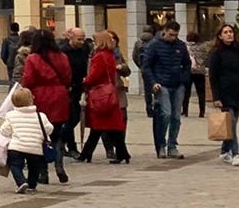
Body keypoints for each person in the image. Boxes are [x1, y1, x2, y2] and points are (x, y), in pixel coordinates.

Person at [18, 31, 73, 183]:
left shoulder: (33, 59)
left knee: (40, 136)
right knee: (57, 134)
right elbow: (68, 78)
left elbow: (28, 80)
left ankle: (43, 172)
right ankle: (59, 166)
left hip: (41, 97)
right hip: (60, 96)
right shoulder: (62, 57)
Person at [137, 23, 193, 160]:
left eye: (175, 35)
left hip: (178, 84)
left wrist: (184, 78)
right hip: (162, 85)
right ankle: (161, 144)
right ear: (165, 32)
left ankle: (172, 145)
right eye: (170, 34)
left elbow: (187, 63)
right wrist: (153, 82)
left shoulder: (180, 45)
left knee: (176, 116)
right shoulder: (154, 45)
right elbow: (146, 66)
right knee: (165, 114)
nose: (173, 38)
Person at [207, 23, 239, 167]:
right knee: (232, 123)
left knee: (231, 123)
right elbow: (213, 76)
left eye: (231, 32)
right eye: (226, 32)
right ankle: (235, 153)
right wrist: (216, 97)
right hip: (225, 92)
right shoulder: (216, 53)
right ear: (220, 36)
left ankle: (224, 150)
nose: (229, 34)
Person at [81, 28, 131, 164]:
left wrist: (85, 82)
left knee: (99, 127)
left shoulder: (99, 56)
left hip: (100, 94)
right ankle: (122, 153)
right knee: (108, 128)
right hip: (109, 93)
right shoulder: (110, 55)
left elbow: (95, 75)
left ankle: (86, 154)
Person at [0, 84, 52, 193]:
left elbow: (4, 130)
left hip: (16, 147)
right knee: (34, 168)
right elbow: (49, 129)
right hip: (35, 148)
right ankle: (32, 185)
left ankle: (21, 182)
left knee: (15, 165)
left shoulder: (11, 115)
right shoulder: (41, 116)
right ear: (31, 100)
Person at [186, 30, 209, 117]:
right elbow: (206, 57)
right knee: (201, 93)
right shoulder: (202, 47)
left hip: (189, 71)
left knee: (186, 92)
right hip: (200, 72)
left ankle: (185, 110)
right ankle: (202, 111)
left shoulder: (187, 47)